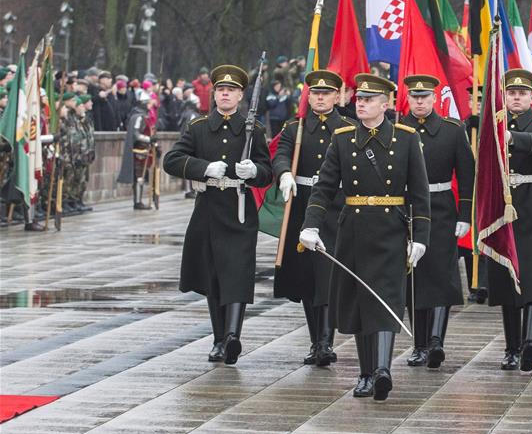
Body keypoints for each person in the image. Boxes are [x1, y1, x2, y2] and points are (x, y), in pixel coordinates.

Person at [297, 73, 430, 401]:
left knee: (384, 298)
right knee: (359, 302)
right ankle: (366, 373)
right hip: (353, 229)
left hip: (391, 230)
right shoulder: (342, 139)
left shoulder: (407, 138)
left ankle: (382, 369)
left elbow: (420, 194)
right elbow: (324, 187)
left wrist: (421, 237)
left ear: (385, 105)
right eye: (359, 99)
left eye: (369, 100)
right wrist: (310, 225)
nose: (361, 103)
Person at [163, 64, 273, 365]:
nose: (225, 94)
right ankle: (219, 338)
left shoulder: (255, 130)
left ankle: (233, 337)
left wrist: (253, 172)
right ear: (214, 94)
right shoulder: (198, 127)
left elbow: (267, 173)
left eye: (231, 90)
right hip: (209, 209)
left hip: (239, 210)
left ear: (240, 96)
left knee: (237, 274)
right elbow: (171, 159)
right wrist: (202, 168)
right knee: (213, 277)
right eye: (221, 90)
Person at [273, 70, 356, 367]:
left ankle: (326, 341)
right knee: (308, 278)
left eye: (326, 93)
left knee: (328, 276)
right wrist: (284, 174)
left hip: (335, 209)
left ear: (337, 96)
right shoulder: (295, 128)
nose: (319, 98)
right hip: (304, 205)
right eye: (315, 93)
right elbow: (281, 154)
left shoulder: (348, 127)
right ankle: (316, 341)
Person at [400, 75, 475, 369]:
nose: (419, 102)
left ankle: (435, 341)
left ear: (434, 99)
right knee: (413, 278)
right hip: (406, 209)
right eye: (415, 97)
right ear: (409, 98)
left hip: (441, 208)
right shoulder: (397, 130)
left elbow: (467, 175)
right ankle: (419, 344)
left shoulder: (452, 131)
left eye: (425, 97)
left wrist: (465, 215)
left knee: (442, 274)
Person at [488, 69, 532, 373]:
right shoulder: (493, 122)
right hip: (503, 206)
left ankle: (530, 341)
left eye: (522, 93)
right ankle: (511, 347)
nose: (516, 97)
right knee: (507, 275)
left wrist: (511, 137)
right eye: (511, 93)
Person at [116, 89, 156, 210]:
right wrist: (149, 139)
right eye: (148, 103)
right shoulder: (139, 117)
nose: (150, 105)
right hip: (139, 151)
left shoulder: (143, 116)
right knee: (139, 177)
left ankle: (139, 201)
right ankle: (137, 202)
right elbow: (136, 135)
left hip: (143, 151)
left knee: (141, 177)